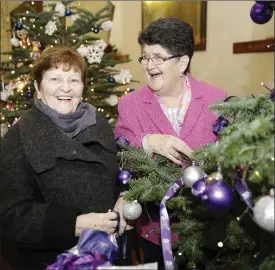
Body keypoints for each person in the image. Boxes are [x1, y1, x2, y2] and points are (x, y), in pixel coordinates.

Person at [0, 46, 129, 270]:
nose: (66, 88)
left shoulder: (100, 125)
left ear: (82, 87)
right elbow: (11, 216)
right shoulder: (19, 137)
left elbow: (121, 177)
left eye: (74, 80)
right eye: (55, 79)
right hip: (50, 261)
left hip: (107, 255)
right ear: (37, 88)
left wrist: (125, 197)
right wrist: (73, 224)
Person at [114, 18, 227, 267]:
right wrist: (147, 141)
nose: (148, 65)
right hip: (156, 231)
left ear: (182, 62)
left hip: (208, 227)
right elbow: (119, 151)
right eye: (145, 57)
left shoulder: (216, 99)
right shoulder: (130, 105)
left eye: (158, 57)